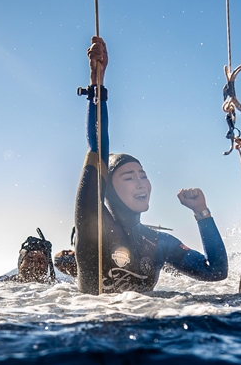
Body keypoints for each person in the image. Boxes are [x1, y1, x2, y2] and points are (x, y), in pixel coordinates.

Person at [74, 36, 229, 295]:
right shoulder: (94, 224)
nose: (140, 182)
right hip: (95, 325)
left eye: (142, 175)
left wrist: (202, 212)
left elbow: (216, 271)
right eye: (128, 177)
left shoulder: (157, 243)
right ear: (108, 188)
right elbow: (98, 149)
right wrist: (97, 85)